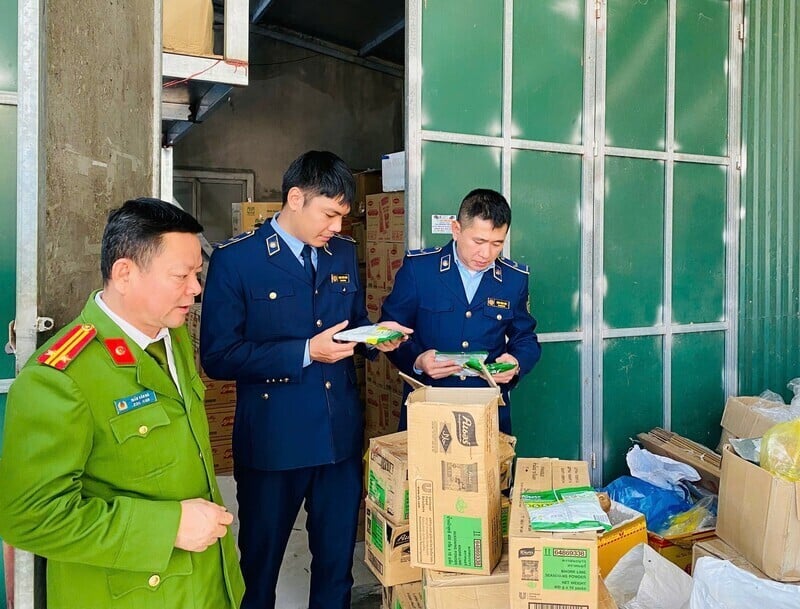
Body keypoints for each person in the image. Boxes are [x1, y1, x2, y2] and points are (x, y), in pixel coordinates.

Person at [0, 198, 244, 609]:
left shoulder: (171, 334)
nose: (196, 288)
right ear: (125, 273)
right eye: (181, 275)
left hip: (205, 582)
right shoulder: (59, 379)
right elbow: (29, 517)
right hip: (133, 594)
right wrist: (169, 527)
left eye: (197, 274)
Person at [199, 150, 409, 609]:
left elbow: (351, 322)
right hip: (274, 442)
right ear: (296, 198)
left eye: (342, 217)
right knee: (259, 570)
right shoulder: (238, 260)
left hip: (337, 441)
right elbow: (218, 357)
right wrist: (306, 352)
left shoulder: (342, 252)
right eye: (329, 214)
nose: (337, 226)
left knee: (336, 570)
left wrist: (375, 337)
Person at [379, 188, 541, 434]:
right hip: (429, 407)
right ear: (456, 229)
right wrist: (417, 361)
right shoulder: (420, 270)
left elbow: (525, 338)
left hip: (486, 412)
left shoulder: (513, 279)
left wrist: (516, 363)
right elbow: (390, 330)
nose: (486, 253)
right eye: (479, 242)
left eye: (497, 244)